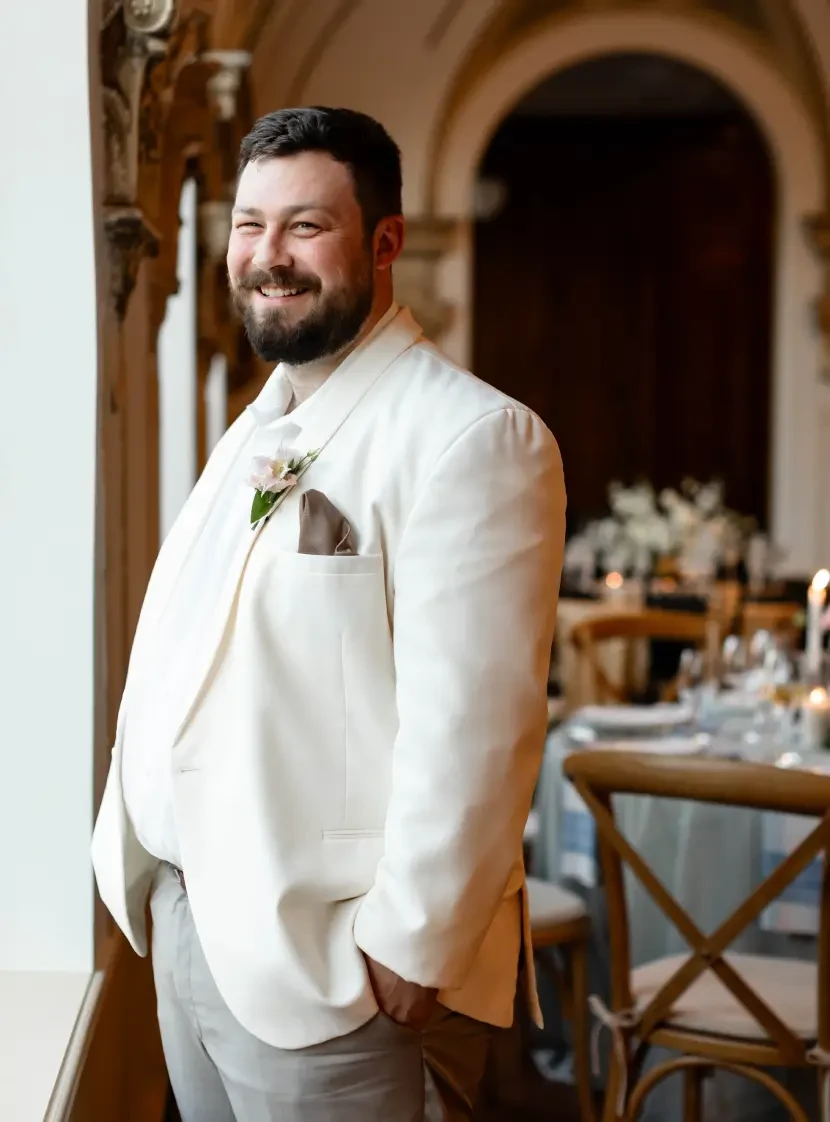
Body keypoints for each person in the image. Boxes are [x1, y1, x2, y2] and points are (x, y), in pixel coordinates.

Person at [92, 106, 566, 1122]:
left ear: (383, 242)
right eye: (251, 225)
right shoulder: (254, 429)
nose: (268, 257)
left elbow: (477, 726)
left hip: (338, 967)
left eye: (304, 226)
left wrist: (412, 941)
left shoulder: (473, 438)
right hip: (191, 921)